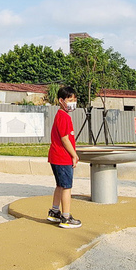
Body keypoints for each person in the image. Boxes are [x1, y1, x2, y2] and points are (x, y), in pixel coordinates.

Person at [47, 86, 82, 229]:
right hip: (62, 157)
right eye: (69, 99)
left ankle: (55, 211)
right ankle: (66, 217)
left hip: (56, 156)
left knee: (60, 185)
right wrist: (74, 155)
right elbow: (65, 139)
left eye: (74, 99)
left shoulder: (62, 115)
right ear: (61, 101)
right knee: (67, 187)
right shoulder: (63, 116)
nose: (73, 102)